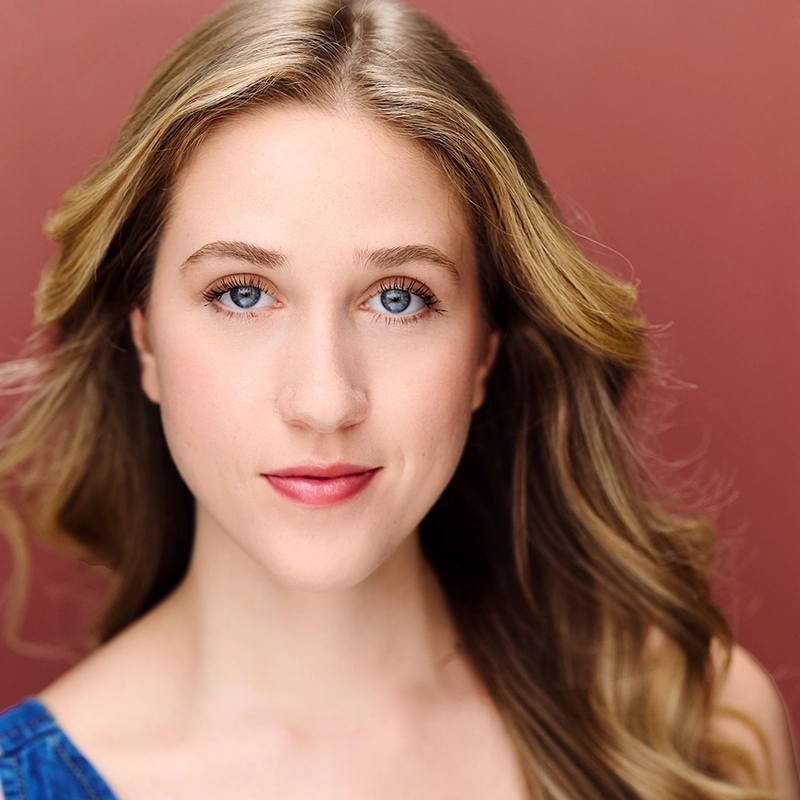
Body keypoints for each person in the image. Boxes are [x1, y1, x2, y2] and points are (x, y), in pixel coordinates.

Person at [0, 0, 797, 797]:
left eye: (398, 299)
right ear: (144, 340)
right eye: (242, 294)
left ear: (485, 350)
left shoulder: (700, 732)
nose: (324, 400)